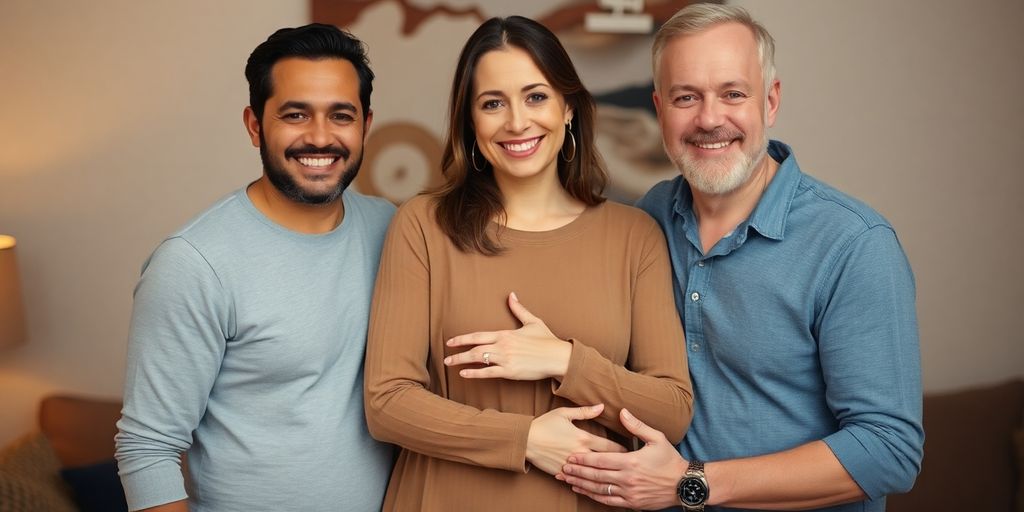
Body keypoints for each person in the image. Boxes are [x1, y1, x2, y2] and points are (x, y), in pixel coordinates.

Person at [559, 4, 923, 511]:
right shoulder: (650, 218)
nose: (710, 119)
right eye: (687, 97)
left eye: (733, 94)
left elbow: (889, 451)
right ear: (660, 110)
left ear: (770, 102)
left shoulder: (854, 245)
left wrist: (691, 481)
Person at [363, 15, 693, 512]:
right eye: (493, 103)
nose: (517, 122)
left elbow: (672, 411)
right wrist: (526, 439)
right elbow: (386, 403)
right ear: (470, 121)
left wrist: (565, 360)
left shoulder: (634, 236)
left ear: (567, 108)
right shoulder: (423, 226)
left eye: (536, 96)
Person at [114, 24, 395, 512]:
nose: (320, 137)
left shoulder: (392, 228)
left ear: (365, 125)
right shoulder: (194, 263)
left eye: (341, 115)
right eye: (295, 114)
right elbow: (148, 449)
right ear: (254, 125)